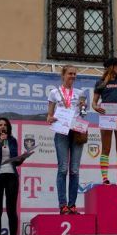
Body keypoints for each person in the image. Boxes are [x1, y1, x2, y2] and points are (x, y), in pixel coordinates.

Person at [47, 65, 85, 215]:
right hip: (61, 132)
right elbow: (49, 116)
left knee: (74, 170)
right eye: (70, 73)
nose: (73, 76)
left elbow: (83, 114)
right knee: (63, 168)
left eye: (75, 74)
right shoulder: (54, 93)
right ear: (63, 75)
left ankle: (72, 205)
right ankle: (63, 205)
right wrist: (51, 118)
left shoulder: (80, 93)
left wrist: (84, 108)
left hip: (76, 131)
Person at [92, 57, 117, 185]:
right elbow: (94, 102)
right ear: (111, 67)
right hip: (107, 118)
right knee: (106, 148)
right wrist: (97, 108)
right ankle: (105, 178)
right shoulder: (100, 82)